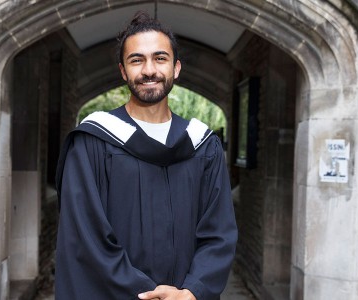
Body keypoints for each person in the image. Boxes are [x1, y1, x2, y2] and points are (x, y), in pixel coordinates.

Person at [54, 11, 237, 300]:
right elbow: (85, 237)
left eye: (160, 58)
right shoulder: (92, 143)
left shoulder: (203, 146)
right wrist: (146, 293)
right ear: (123, 71)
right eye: (137, 60)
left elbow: (219, 233)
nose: (149, 70)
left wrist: (192, 291)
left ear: (176, 68)